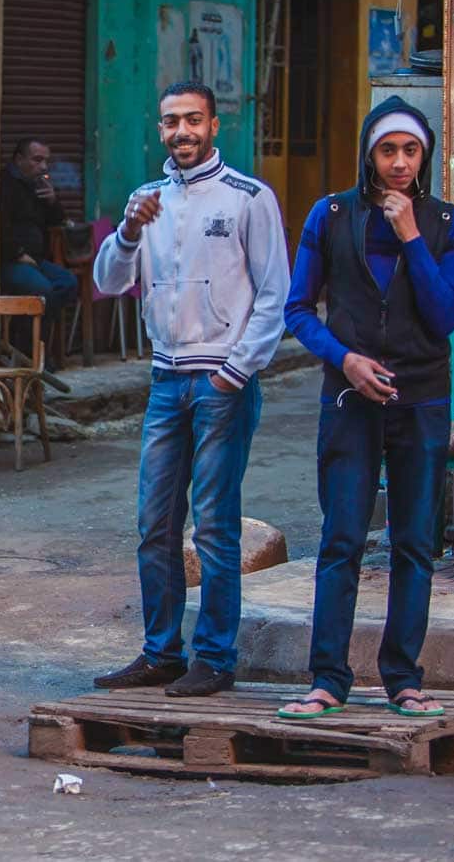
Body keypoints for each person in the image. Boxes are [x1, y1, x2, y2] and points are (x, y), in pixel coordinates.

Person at [90, 82, 289, 698]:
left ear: (214, 125)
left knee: (213, 527)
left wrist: (238, 369)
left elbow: (275, 294)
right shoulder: (145, 200)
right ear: (161, 129)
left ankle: (216, 657)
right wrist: (126, 231)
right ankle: (160, 652)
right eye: (172, 121)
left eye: (193, 120)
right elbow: (107, 280)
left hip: (220, 381)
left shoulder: (250, 198)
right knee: (154, 525)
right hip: (164, 379)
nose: (182, 131)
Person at [277, 97, 454, 721]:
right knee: (342, 540)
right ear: (369, 154)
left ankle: (403, 678)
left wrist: (411, 235)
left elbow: (445, 317)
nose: (400, 163)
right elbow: (298, 309)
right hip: (349, 401)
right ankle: (328, 678)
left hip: (422, 399)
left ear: (426, 155)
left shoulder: (444, 221)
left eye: (411, 151)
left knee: (414, 543)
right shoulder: (331, 215)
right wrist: (346, 360)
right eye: (388, 150)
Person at [0, 138, 76, 363]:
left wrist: (52, 201)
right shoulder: (4, 184)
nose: (43, 167)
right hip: (11, 260)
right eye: (37, 160)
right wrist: (18, 254)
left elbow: (58, 222)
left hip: (36, 260)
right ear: (19, 159)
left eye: (46, 161)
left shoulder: (37, 185)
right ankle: (32, 355)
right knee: (42, 290)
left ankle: (26, 343)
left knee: (67, 283)